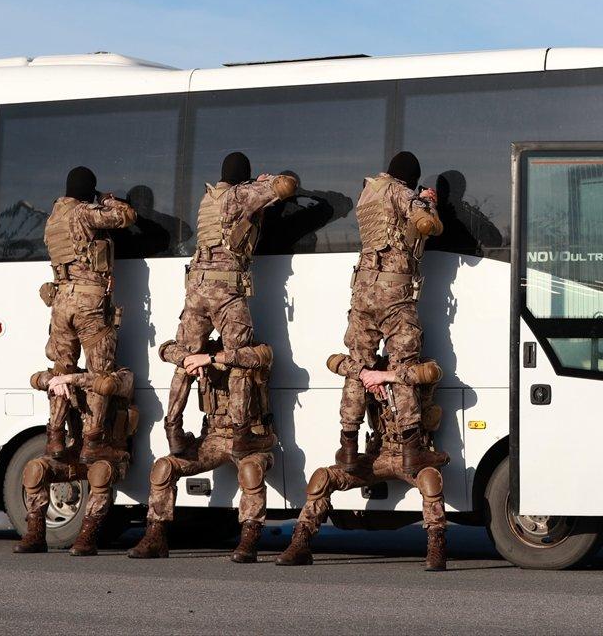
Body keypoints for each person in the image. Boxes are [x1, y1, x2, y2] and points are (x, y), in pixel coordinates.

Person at [161, 152, 296, 459]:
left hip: (196, 288)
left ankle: (173, 430)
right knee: (239, 359)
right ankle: (241, 433)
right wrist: (266, 184)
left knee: (185, 359)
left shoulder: (208, 199)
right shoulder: (240, 194)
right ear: (243, 177)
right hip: (226, 290)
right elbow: (287, 185)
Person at [277, 352, 448, 571]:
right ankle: (300, 543)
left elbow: (433, 372)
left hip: (412, 456)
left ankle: (437, 547)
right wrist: (366, 374)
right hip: (378, 455)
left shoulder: (418, 366)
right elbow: (333, 361)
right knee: (323, 478)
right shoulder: (371, 368)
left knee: (430, 480)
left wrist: (386, 376)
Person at [336, 151, 447, 475]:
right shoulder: (401, 191)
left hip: (362, 292)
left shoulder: (367, 192)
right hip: (393, 294)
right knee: (403, 365)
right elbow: (428, 226)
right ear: (409, 177)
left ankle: (347, 446)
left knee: (357, 366)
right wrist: (426, 202)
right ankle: (412, 448)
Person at [128, 338, 277, 564]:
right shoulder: (203, 349)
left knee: (250, 471)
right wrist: (189, 360)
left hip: (252, 438)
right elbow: (165, 349)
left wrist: (209, 360)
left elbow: (261, 357)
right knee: (164, 467)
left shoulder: (257, 349)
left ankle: (249, 539)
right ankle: (155, 536)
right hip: (213, 438)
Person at [40, 166, 136, 463]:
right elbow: (127, 217)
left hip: (60, 302)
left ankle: (55, 436)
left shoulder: (53, 219)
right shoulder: (83, 213)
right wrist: (108, 201)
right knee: (99, 374)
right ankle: (93, 440)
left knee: (61, 372)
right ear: (88, 191)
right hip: (88, 302)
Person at [13, 367, 139, 556]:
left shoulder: (123, 375)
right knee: (35, 470)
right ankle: (35, 534)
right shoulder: (71, 378)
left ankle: (87, 537)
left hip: (110, 456)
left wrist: (69, 379)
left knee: (99, 474)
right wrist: (54, 381)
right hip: (77, 455)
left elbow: (105, 384)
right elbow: (35, 378)